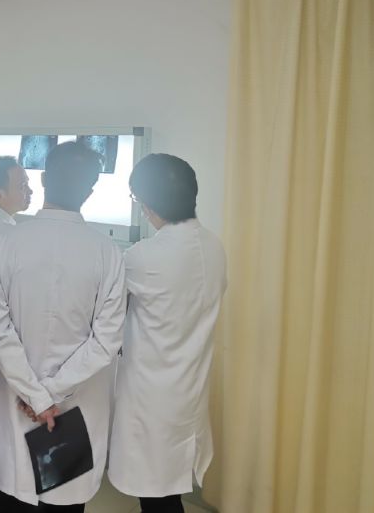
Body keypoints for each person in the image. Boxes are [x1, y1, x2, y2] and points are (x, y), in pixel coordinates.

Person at [0, 141, 126, 512]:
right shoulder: (108, 252)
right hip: (69, 412)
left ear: (44, 179)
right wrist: (50, 395)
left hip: (18, 404)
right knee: (62, 502)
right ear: (90, 191)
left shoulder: (6, 243)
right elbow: (106, 341)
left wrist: (36, 395)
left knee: (9, 496)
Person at [108, 154, 227, 513]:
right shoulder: (214, 245)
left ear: (148, 204)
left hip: (152, 395)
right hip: (190, 386)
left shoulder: (143, 256)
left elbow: (107, 310)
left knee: (157, 495)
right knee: (168, 488)